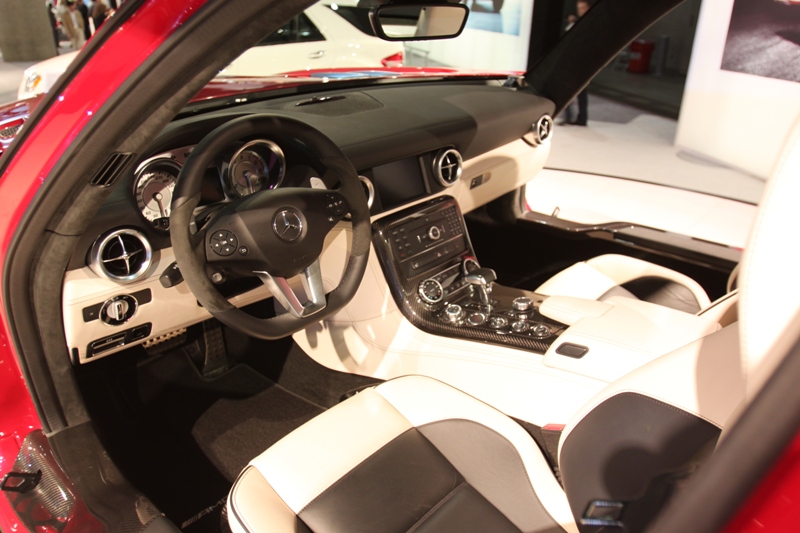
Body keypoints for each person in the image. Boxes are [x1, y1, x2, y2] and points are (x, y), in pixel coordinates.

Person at [561, 0, 594, 126]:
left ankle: (580, 117)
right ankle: (574, 116)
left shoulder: (590, 22)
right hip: (573, 60)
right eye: (579, 8)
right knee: (571, 89)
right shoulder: (577, 22)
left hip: (582, 61)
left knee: (579, 90)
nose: (580, 11)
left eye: (583, 8)